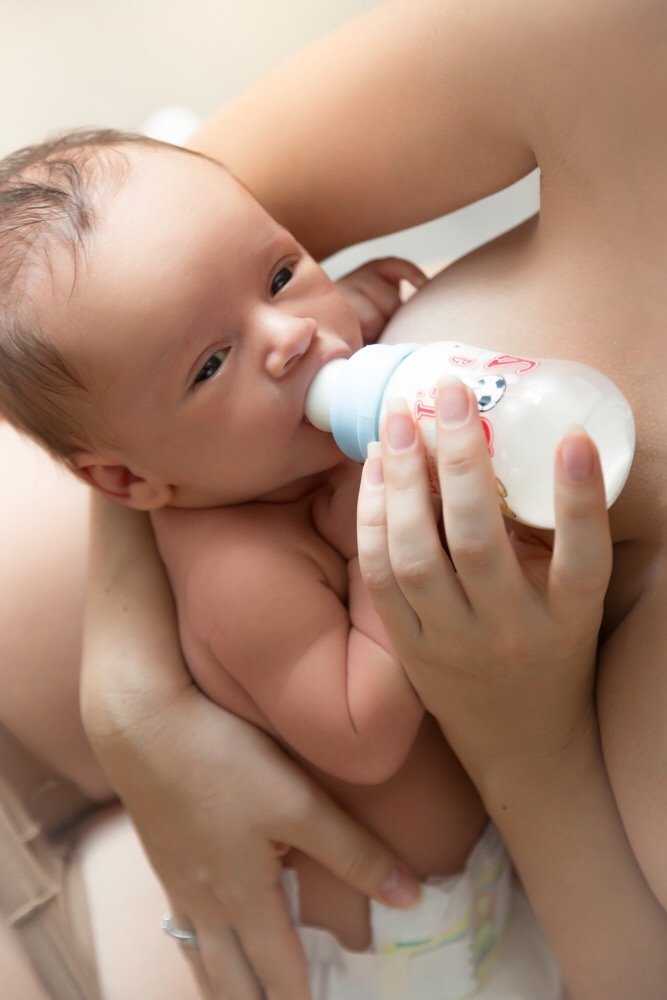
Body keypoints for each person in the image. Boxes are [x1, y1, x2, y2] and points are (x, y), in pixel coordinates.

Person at [2, 0, 667, 997]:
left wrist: (516, 723)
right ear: (132, 481)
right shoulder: (239, 568)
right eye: (217, 360)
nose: (293, 335)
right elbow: (129, 252)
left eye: (284, 274)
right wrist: (131, 695)